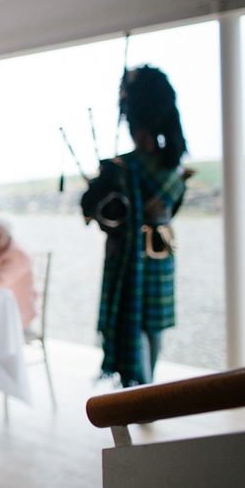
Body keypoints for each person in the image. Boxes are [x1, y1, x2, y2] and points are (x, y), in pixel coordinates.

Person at [81, 65, 191, 387]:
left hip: (126, 253)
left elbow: (93, 212)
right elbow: (174, 209)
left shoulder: (119, 167)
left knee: (139, 322)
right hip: (162, 248)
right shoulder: (176, 168)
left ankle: (141, 390)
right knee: (152, 325)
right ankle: (145, 386)